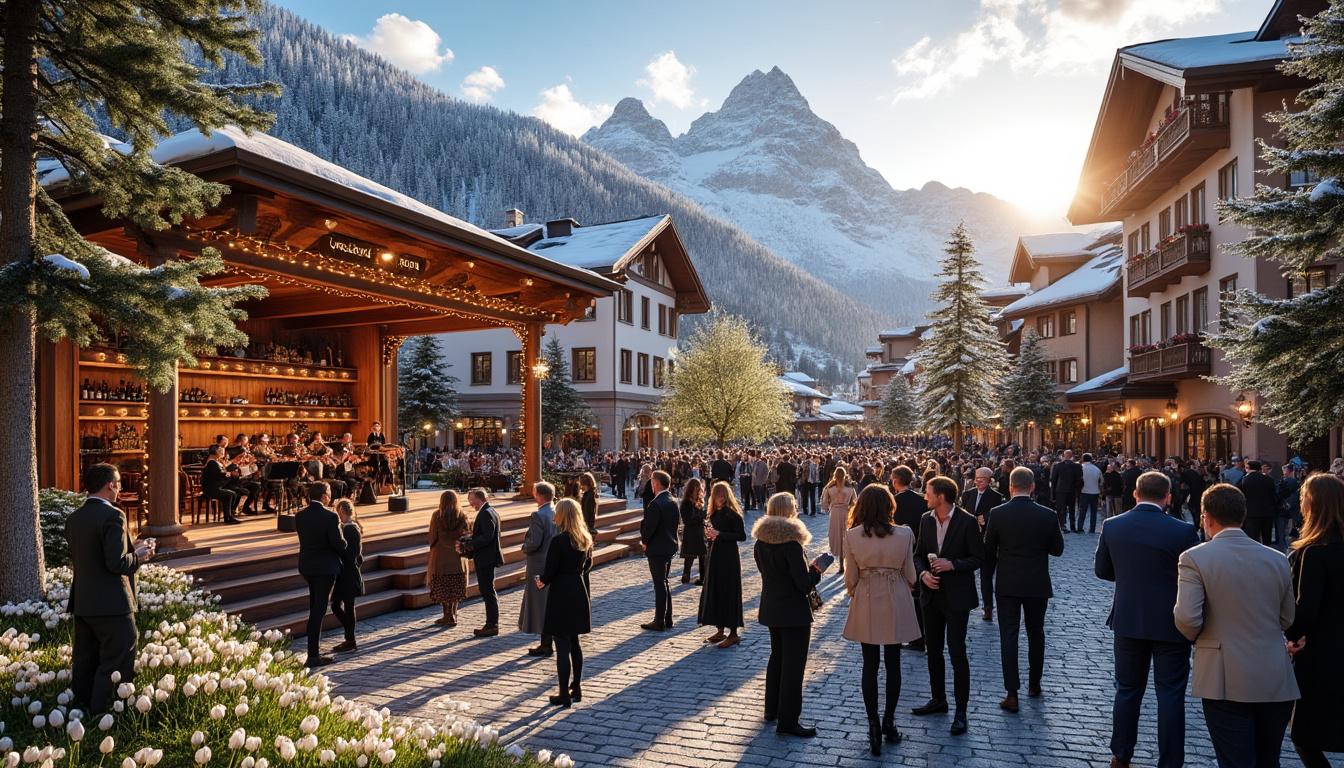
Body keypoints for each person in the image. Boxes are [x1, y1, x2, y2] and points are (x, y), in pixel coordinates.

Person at [1174, 483, 1299, 767]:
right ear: (1243, 515)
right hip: (1273, 671)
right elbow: (1286, 617)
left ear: (1206, 517)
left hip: (1223, 673)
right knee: (1269, 759)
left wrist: (1201, 639)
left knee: (1234, 759)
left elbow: (1187, 618)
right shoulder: (1278, 558)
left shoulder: (1195, 557)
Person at [1094, 470, 1200, 768]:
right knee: (1170, 695)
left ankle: (1121, 755)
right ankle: (1170, 761)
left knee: (1127, 690)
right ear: (1168, 497)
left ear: (1135, 494)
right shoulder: (1182, 531)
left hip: (1128, 619)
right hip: (1171, 622)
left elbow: (1102, 571)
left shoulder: (1113, 525)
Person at [67, 463, 155, 713]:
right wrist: (140, 554)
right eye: (118, 483)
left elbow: (90, 556)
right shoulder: (114, 515)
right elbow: (116, 564)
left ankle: (80, 708)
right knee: (117, 657)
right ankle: (105, 711)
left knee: (86, 659)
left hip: (84, 601)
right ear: (110, 485)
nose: (119, 488)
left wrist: (131, 547)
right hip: (113, 602)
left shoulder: (74, 518)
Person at [842, 485, 921, 755]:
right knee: (893, 662)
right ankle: (889, 721)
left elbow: (850, 578)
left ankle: (873, 723)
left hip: (867, 594)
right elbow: (910, 573)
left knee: (870, 665)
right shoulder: (905, 533)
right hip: (895, 594)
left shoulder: (852, 535)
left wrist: (858, 589)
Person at [984, 466, 1065, 714]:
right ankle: (1034, 684)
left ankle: (1011, 693)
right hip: (1036, 582)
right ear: (1032, 487)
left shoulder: (997, 513)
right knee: (1036, 633)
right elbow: (1057, 549)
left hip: (1008, 583)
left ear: (1010, 486)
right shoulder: (1048, 515)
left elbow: (988, 551)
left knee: (1009, 636)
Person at [753, 492, 830, 738]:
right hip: (794, 612)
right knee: (793, 666)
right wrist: (816, 570)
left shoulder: (761, 541)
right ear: (788, 511)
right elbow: (803, 584)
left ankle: (771, 708)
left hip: (771, 607)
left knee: (777, 658)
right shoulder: (792, 545)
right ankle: (788, 720)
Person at [912, 475, 983, 736]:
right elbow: (918, 555)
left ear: (941, 496)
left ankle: (961, 710)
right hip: (930, 596)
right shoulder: (925, 519)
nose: (925, 497)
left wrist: (953, 564)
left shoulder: (966, 521)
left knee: (957, 652)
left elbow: (979, 557)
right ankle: (938, 698)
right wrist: (922, 575)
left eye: (928, 493)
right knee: (933, 651)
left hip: (957, 598)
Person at [1284, 473, 1344, 767]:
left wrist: (1291, 638)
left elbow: (1305, 609)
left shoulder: (1315, 552)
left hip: (1323, 652)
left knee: (1305, 735)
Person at [535, 498, 594, 708]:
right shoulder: (584, 539)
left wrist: (540, 580)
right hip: (578, 590)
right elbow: (588, 565)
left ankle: (563, 693)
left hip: (561, 593)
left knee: (562, 645)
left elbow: (549, 572)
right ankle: (576, 687)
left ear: (563, 516)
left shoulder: (559, 541)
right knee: (575, 643)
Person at [295, 481, 346, 667]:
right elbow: (338, 544)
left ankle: (312, 650)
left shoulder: (300, 516)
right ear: (324, 496)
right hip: (325, 568)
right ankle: (313, 654)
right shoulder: (330, 517)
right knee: (319, 609)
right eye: (330, 492)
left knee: (314, 607)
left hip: (308, 566)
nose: (331, 496)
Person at [699, 481, 747, 648]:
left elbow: (741, 536)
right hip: (715, 556)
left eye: (721, 495)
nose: (718, 498)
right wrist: (710, 535)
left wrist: (720, 534)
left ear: (726, 496)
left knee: (729, 591)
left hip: (729, 558)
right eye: (715, 494)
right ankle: (720, 629)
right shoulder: (713, 513)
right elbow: (713, 534)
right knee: (716, 590)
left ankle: (733, 633)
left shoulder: (732, 515)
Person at [891, 465, 928, 651]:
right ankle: (920, 635)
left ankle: (910, 635)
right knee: (917, 595)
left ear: (896, 481)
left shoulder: (893, 502)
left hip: (899, 552)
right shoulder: (922, 501)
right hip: (919, 551)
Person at [960, 466, 1003, 622]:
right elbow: (962, 512)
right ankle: (964, 603)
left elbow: (998, 514)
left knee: (986, 577)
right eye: (977, 478)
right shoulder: (967, 494)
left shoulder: (996, 497)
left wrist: (986, 516)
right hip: (969, 542)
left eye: (982, 479)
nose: (978, 481)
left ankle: (988, 608)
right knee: (965, 574)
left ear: (989, 480)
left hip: (987, 543)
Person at [521, 482, 558, 656]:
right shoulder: (557, 511)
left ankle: (545, 643)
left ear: (539, 495)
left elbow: (534, 542)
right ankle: (548, 641)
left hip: (539, 565)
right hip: (553, 563)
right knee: (550, 604)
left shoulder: (538, 515)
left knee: (540, 605)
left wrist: (524, 547)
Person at [640, 470, 680, 631]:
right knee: (664, 582)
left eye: (652, 481)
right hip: (669, 546)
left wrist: (644, 542)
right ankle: (667, 617)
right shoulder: (671, 500)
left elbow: (649, 528)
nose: (650, 484)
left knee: (660, 584)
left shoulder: (656, 504)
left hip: (657, 548)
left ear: (655, 483)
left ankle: (659, 620)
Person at [463, 488, 504, 637]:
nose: (470, 503)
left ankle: (492, 624)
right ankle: (491, 623)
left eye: (471, 499)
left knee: (487, 591)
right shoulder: (489, 511)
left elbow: (487, 537)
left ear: (479, 499)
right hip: (486, 557)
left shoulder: (486, 513)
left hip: (486, 558)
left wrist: (470, 544)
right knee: (487, 590)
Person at [427, 490, 469, 627]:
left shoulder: (437, 515)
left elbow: (433, 536)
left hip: (441, 556)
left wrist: (433, 546)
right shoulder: (462, 515)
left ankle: (447, 615)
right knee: (456, 585)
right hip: (458, 556)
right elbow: (467, 534)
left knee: (443, 585)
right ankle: (454, 614)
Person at [330, 499, 363, 652]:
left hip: (347, 573)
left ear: (342, 512)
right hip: (349, 571)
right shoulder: (352, 527)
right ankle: (350, 636)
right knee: (343, 605)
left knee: (342, 605)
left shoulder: (349, 529)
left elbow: (349, 553)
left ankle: (350, 638)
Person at [822, 467, 858, 574]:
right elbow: (854, 502)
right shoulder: (850, 487)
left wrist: (829, 507)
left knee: (836, 536)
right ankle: (845, 561)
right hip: (846, 512)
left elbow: (824, 502)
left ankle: (841, 563)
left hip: (835, 513)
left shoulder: (829, 487)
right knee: (846, 536)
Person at [1239, 460, 1279, 546]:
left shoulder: (1245, 480)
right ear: (1260, 469)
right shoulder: (1269, 479)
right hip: (1267, 513)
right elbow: (1274, 496)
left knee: (1253, 539)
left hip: (1251, 514)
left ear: (1248, 468)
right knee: (1267, 539)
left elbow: (1240, 494)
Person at [200, 444, 243, 524]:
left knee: (233, 493)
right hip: (211, 489)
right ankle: (228, 517)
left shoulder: (215, 462)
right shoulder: (211, 463)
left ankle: (229, 516)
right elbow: (218, 475)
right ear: (216, 451)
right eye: (221, 450)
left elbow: (221, 473)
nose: (223, 452)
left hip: (216, 487)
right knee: (230, 494)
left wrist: (228, 473)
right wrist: (228, 473)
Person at [679, 477, 708, 585]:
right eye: (697, 489)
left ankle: (703, 578)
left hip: (699, 532)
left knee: (702, 556)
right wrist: (702, 515)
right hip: (691, 532)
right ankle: (686, 576)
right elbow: (688, 520)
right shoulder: (686, 503)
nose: (698, 491)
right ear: (692, 489)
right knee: (689, 556)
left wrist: (703, 519)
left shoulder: (697, 501)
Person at [1050, 449, 1083, 533]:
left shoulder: (1058, 466)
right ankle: (1072, 526)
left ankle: (1062, 525)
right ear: (1071, 456)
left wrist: (1053, 494)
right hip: (1072, 491)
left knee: (1061, 509)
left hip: (1060, 491)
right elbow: (1080, 481)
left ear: (1064, 456)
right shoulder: (1077, 466)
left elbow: (1053, 480)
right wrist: (1076, 489)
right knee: (1072, 509)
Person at [1079, 453, 1103, 533]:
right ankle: (1092, 529)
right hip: (1095, 492)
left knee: (1082, 511)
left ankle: (1080, 527)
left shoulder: (1081, 468)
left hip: (1084, 491)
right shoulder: (1096, 469)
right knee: (1093, 512)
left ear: (1083, 459)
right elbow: (1102, 481)